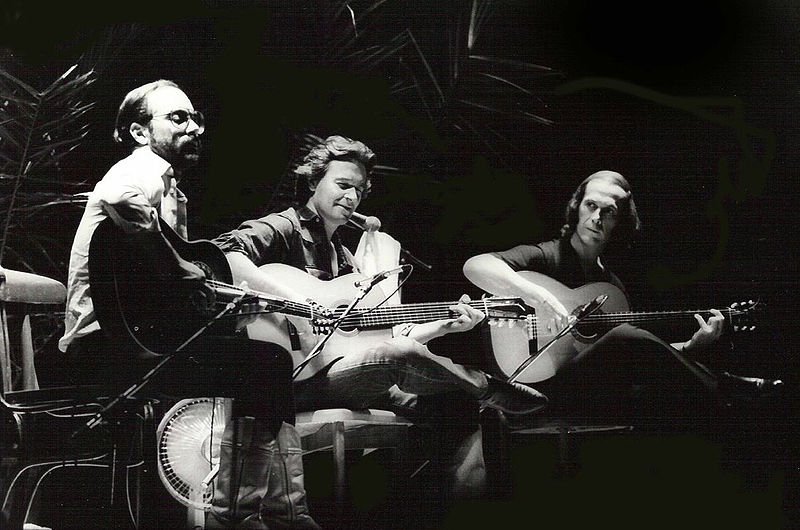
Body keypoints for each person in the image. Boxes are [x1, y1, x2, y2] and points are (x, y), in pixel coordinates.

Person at [212, 135, 548, 502]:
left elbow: (377, 337)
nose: (351, 197)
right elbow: (224, 254)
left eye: (358, 190)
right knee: (399, 356)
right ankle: (489, 385)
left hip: (341, 373)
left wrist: (446, 325)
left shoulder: (345, 258)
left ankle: (445, 510)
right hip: (289, 381)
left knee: (457, 406)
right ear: (313, 182)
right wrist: (299, 305)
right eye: (343, 185)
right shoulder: (284, 226)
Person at [59, 80, 318, 529]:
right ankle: (247, 516)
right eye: (178, 118)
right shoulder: (141, 167)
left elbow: (157, 289)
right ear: (140, 132)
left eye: (196, 118)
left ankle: (279, 513)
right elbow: (120, 198)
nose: (194, 127)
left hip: (138, 339)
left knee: (267, 362)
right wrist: (179, 267)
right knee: (265, 364)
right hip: (106, 345)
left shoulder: (170, 190)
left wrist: (226, 305)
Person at [463, 170, 781, 429]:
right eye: (590, 205)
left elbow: (629, 353)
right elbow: (475, 266)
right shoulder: (545, 257)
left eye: (609, 212)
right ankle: (727, 389)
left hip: (585, 390)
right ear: (576, 207)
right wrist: (539, 295)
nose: (596, 217)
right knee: (627, 336)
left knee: (633, 352)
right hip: (533, 386)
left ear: (620, 222)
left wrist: (690, 347)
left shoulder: (611, 286)